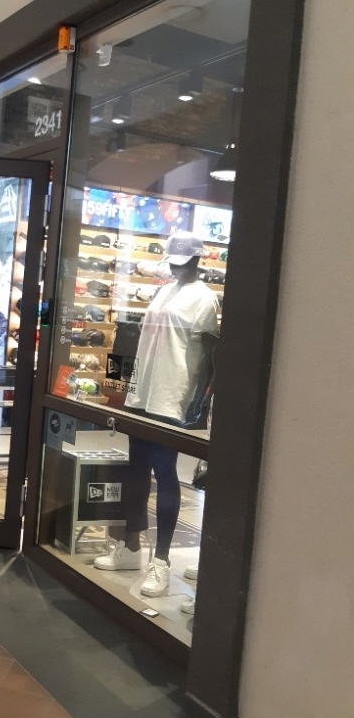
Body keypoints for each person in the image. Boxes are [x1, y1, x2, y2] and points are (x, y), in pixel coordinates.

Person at [94, 231, 219, 598]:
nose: (178, 268)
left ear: (197, 259)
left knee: (165, 475)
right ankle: (131, 546)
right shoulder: (163, 292)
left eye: (185, 262)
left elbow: (210, 360)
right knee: (136, 471)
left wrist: (199, 404)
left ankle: (161, 561)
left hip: (171, 397)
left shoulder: (205, 298)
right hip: (143, 394)